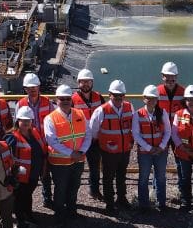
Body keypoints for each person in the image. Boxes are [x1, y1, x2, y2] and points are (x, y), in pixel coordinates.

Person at [43, 84, 92, 219]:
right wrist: (72, 153)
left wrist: (81, 151)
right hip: (60, 162)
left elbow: (88, 134)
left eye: (67, 98)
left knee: (75, 186)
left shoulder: (80, 114)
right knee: (61, 188)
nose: (65, 101)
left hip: (78, 160)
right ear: (57, 100)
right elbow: (52, 141)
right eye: (62, 98)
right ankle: (59, 213)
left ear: (72, 100)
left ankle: (71, 210)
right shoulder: (50, 118)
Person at [88, 80, 136, 213]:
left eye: (121, 95)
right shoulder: (101, 110)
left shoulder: (129, 107)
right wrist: (104, 143)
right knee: (108, 177)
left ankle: (121, 198)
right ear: (110, 95)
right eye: (116, 95)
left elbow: (134, 127)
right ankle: (109, 203)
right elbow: (93, 131)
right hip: (108, 152)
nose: (119, 98)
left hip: (125, 150)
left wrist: (130, 141)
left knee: (122, 175)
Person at [17, 73, 55, 210]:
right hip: (28, 146)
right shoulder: (20, 104)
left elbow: (53, 122)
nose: (32, 90)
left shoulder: (48, 102)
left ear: (39, 87)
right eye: (29, 87)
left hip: (44, 144)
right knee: (29, 175)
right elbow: (17, 126)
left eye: (35, 87)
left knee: (45, 174)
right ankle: (26, 203)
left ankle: (47, 198)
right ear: (25, 89)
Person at [134, 84, 173, 211]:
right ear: (144, 98)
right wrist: (149, 147)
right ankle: (143, 205)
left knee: (161, 177)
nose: (151, 100)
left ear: (157, 99)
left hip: (160, 152)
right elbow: (136, 134)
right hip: (145, 152)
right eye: (149, 98)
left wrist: (161, 147)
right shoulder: (138, 114)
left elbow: (168, 131)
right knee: (143, 178)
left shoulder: (163, 113)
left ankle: (161, 203)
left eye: (154, 98)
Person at [10, 104, 45, 228]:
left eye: (28, 120)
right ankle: (20, 221)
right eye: (23, 120)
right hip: (21, 175)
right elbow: (7, 155)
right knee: (20, 197)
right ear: (17, 121)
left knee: (28, 195)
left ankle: (28, 215)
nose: (25, 123)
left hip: (34, 172)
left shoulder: (34, 132)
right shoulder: (12, 137)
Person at [72, 68, 103, 201]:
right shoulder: (72, 99)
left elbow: (104, 116)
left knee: (94, 167)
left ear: (92, 83)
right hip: (79, 140)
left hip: (95, 139)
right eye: (83, 82)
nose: (85, 84)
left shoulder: (99, 97)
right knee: (76, 169)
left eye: (88, 82)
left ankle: (94, 191)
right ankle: (72, 195)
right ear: (78, 83)